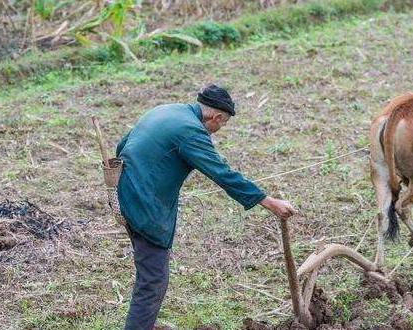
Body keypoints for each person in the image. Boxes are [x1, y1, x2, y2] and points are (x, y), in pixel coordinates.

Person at [115, 84, 296, 329]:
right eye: (222, 125)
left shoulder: (167, 110)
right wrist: (268, 201)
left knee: (151, 274)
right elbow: (221, 173)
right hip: (146, 207)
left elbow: (123, 145)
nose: (217, 130)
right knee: (153, 280)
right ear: (217, 116)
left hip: (127, 194)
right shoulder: (191, 131)